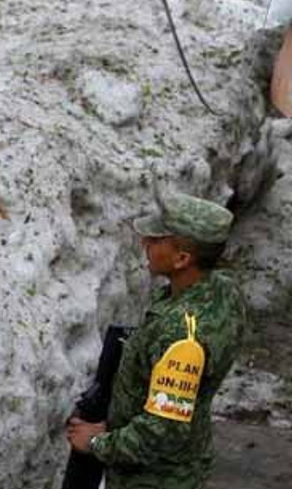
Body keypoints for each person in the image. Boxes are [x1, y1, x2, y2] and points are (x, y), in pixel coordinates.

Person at [65, 192, 247, 489]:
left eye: (156, 240)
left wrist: (98, 443)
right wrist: (112, 427)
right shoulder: (222, 291)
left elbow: (162, 431)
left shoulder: (183, 337)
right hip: (184, 460)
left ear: (182, 259)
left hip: (154, 478)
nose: (144, 244)